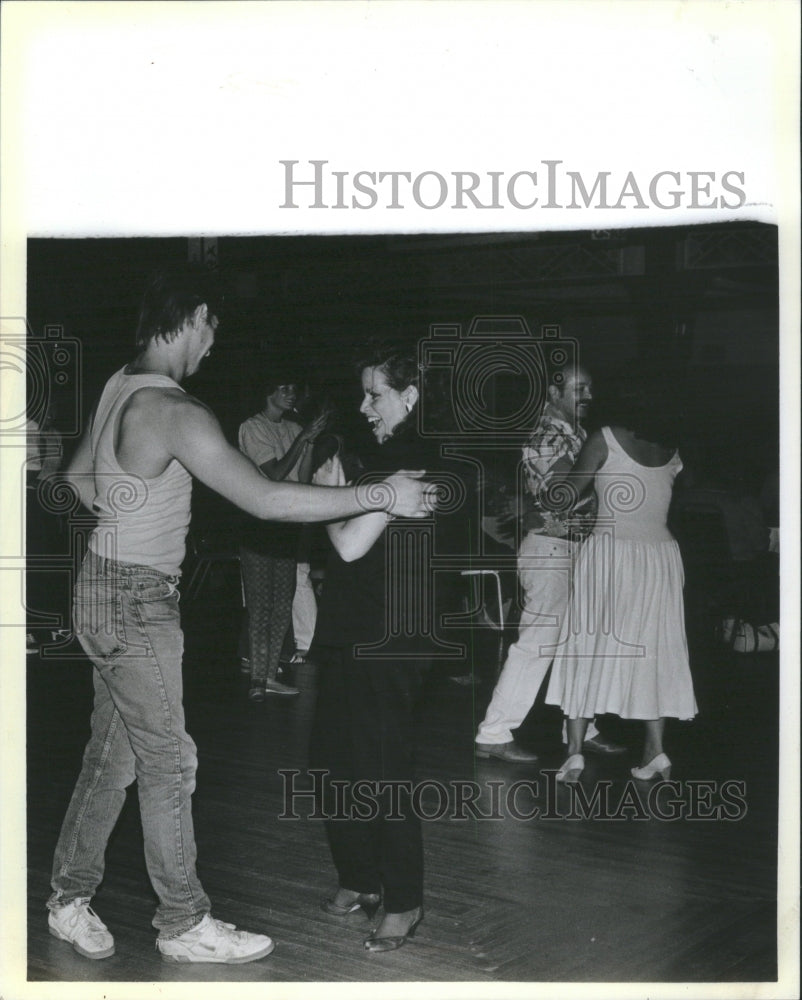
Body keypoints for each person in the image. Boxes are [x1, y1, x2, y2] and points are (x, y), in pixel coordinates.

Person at [46, 269, 434, 965]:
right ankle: (184, 921)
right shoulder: (175, 408)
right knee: (170, 764)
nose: (213, 344)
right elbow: (264, 501)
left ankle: (68, 900)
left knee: (111, 759)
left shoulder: (117, 385)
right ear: (192, 317)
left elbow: (75, 482)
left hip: (98, 585)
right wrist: (379, 494)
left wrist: (135, 512)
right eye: (212, 327)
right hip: (136, 598)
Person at [309, 341, 460, 953]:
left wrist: (325, 497)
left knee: (383, 766)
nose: (363, 405)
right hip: (356, 629)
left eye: (375, 393)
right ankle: (360, 878)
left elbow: (347, 545)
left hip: (393, 639)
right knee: (335, 759)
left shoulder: (417, 462)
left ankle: (403, 900)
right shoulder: (385, 458)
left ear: (411, 396)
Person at [545, 374, 698, 781]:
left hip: (610, 554)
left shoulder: (604, 438)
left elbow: (565, 496)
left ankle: (575, 752)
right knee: (654, 651)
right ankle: (656, 752)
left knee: (586, 645)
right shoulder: (672, 450)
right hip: (659, 558)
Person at [474, 362, 624, 763]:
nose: (588, 396)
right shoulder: (547, 435)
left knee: (578, 642)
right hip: (550, 550)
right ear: (553, 395)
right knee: (537, 644)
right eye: (579, 388)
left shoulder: (572, 434)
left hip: (572, 548)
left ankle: (581, 728)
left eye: (590, 387)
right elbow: (562, 492)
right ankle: (494, 732)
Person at [238, 376, 328, 699]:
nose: (292, 394)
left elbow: (302, 479)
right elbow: (274, 474)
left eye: (294, 388)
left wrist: (311, 440)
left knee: (281, 605)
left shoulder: (292, 428)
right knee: (261, 605)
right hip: (259, 525)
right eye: (285, 388)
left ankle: (269, 676)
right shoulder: (252, 427)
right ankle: (256, 682)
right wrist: (303, 437)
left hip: (287, 525)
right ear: (268, 391)